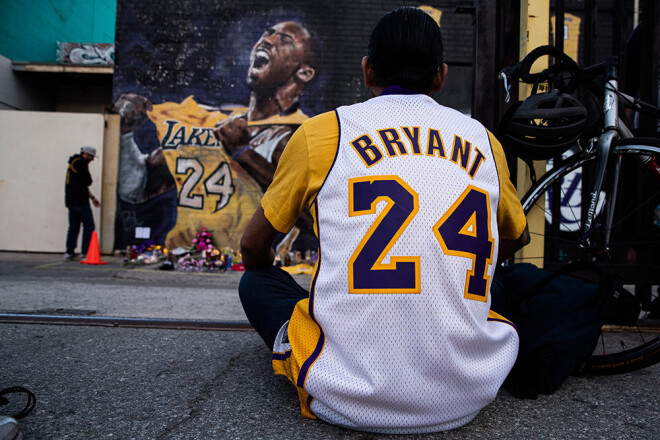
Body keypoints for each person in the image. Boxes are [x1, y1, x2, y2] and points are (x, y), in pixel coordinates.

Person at [238, 7, 530, 434]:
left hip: (340, 397)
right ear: (440, 76)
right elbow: (514, 238)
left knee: (257, 282)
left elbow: (251, 248)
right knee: (503, 281)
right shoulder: (482, 139)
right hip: (466, 396)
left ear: (367, 70)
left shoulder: (324, 132)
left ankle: (306, 337)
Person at [113, 20, 318, 252]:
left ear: (303, 72)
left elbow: (313, 218)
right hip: (185, 261)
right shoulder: (211, 122)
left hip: (251, 265)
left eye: (284, 41)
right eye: (267, 34)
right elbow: (136, 189)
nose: (268, 40)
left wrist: (244, 153)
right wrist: (126, 134)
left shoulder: (301, 134)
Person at [64, 146, 101, 261]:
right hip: (80, 201)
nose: (92, 160)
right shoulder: (81, 163)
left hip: (71, 201)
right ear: (86, 154)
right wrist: (90, 197)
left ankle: (69, 252)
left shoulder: (73, 163)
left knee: (74, 227)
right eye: (91, 157)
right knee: (89, 226)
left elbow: (82, 184)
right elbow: (87, 181)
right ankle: (85, 252)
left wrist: (92, 197)